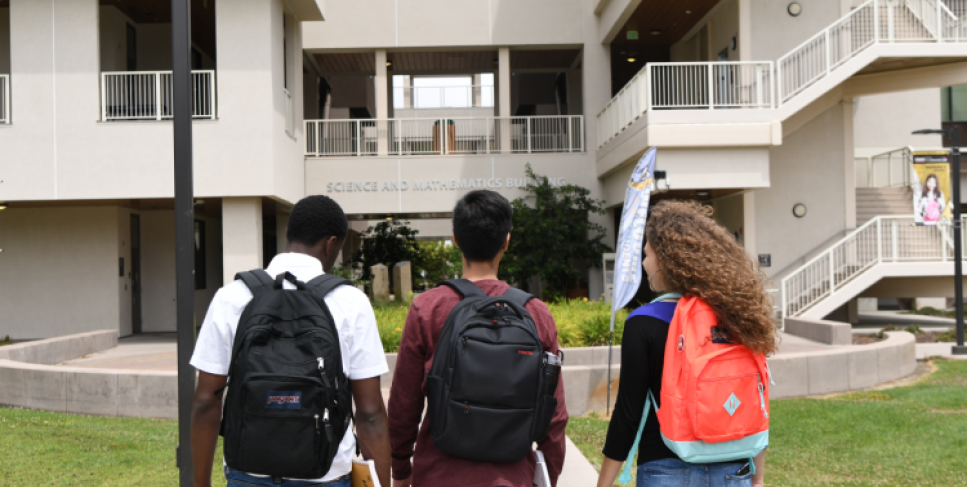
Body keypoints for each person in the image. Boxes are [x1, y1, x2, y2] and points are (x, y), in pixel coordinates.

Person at [190, 195, 392, 487]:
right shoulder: (351, 303)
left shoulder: (231, 297)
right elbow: (370, 413)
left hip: (248, 472)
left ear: (287, 234)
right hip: (325, 474)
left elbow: (206, 401)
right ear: (331, 243)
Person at [388, 189, 568, 487]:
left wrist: (400, 468)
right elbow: (555, 415)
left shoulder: (428, 307)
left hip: (438, 475)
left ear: (456, 239)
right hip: (512, 477)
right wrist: (547, 474)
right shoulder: (536, 313)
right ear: (506, 242)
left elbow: (404, 404)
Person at [596, 200, 777, 487]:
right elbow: (756, 402)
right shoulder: (736, 315)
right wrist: (759, 478)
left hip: (665, 468)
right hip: (734, 468)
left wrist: (603, 483)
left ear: (668, 261)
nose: (644, 263)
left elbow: (628, 415)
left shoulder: (643, 323)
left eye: (648, 255)